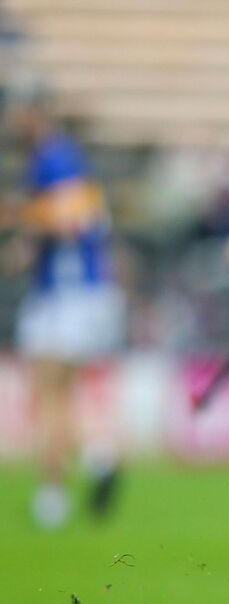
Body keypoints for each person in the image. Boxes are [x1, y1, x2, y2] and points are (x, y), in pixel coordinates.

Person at [5, 77, 124, 528]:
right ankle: (97, 455)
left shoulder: (54, 157)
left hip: (68, 295)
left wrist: (19, 215)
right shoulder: (57, 158)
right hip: (76, 292)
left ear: (33, 113)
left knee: (49, 392)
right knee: (60, 391)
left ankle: (53, 495)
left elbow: (72, 219)